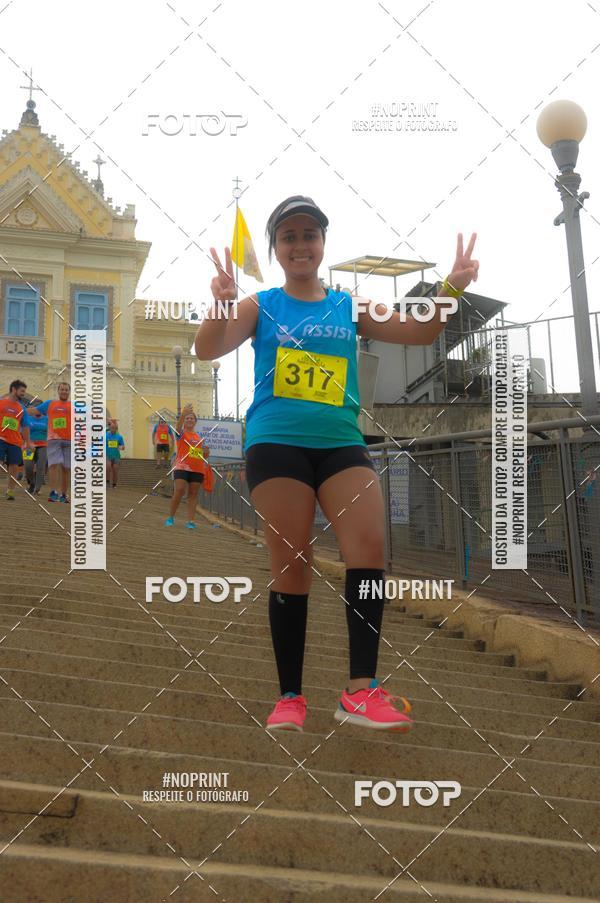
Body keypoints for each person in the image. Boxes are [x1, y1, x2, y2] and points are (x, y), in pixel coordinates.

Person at [195, 195, 479, 733]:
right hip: (277, 445)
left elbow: (418, 331)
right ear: (277, 249)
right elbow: (207, 349)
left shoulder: (348, 304)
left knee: (368, 550)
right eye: (289, 237)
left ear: (323, 244)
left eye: (310, 235)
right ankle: (290, 697)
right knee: (292, 564)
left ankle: (360, 689)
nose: (300, 245)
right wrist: (221, 304)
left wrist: (452, 289)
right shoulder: (260, 305)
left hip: (342, 443)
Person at [165, 404, 209, 528]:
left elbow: (199, 455)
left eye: (192, 418)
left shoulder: (199, 437)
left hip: (197, 469)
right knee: (179, 490)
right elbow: (177, 428)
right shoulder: (181, 433)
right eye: (187, 418)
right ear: (185, 421)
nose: (189, 420)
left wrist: (206, 453)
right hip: (182, 466)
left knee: (193, 493)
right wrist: (183, 414)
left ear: (195, 422)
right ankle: (171, 517)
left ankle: (191, 521)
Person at [28, 382, 72, 503]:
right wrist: (18, 411)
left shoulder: (74, 405)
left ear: (69, 392)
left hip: (69, 441)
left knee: (66, 468)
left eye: (66, 390)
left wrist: (106, 419)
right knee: (53, 465)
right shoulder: (50, 403)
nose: (64, 391)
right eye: (62, 389)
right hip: (53, 440)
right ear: (58, 391)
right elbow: (33, 410)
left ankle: (64, 494)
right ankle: (53, 492)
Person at [0, 379, 32, 500]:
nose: (24, 393)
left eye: (24, 391)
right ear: (14, 389)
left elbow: (25, 426)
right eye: (22, 391)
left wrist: (28, 442)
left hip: (15, 441)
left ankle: (10, 491)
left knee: (14, 466)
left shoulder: (22, 408)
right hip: (1, 439)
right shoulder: (1, 403)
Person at [24, 405, 48, 494]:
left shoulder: (47, 419)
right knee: (27, 466)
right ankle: (32, 484)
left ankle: (37, 488)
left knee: (40, 467)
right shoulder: (28, 418)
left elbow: (51, 431)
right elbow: (23, 430)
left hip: (43, 445)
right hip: (29, 445)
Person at [106, 423, 125, 488]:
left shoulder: (119, 437)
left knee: (115, 470)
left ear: (116, 429)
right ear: (109, 428)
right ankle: (107, 481)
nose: (112, 429)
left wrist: (121, 447)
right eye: (111, 428)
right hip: (107, 455)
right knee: (107, 467)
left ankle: (114, 484)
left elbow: (123, 446)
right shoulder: (105, 436)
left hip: (116, 456)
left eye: (114, 428)